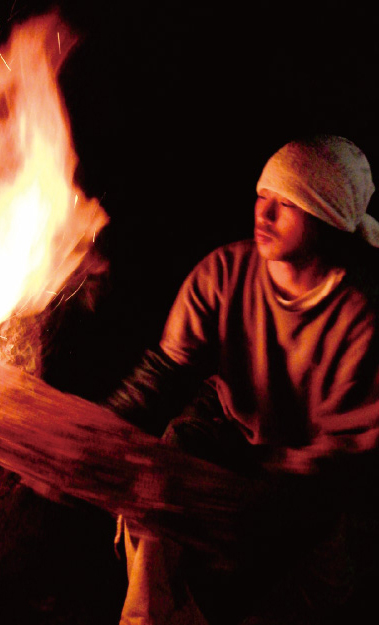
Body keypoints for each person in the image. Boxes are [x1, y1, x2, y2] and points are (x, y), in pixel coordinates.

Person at [105, 134, 379, 625]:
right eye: (263, 196)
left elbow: (339, 450)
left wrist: (256, 510)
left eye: (287, 204)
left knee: (324, 592)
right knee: (150, 503)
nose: (264, 214)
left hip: (307, 472)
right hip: (226, 429)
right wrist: (100, 430)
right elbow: (165, 372)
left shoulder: (361, 314)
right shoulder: (225, 272)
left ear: (327, 219)